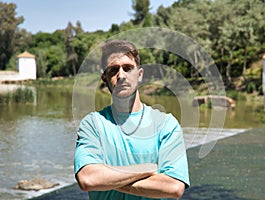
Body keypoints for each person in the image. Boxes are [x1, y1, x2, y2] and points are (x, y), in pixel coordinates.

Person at [74, 39, 190, 200]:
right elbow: (88, 179)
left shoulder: (166, 125)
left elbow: (174, 187)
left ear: (140, 74)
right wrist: (147, 169)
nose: (121, 75)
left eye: (128, 68)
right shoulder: (93, 124)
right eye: (113, 70)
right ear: (105, 78)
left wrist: (108, 179)